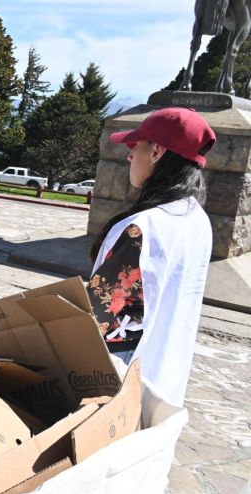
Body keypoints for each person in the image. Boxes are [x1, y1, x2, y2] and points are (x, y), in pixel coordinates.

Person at [89, 107, 215, 407]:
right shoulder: (198, 220)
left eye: (135, 146)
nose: (130, 156)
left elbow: (101, 326)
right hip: (165, 382)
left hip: (119, 392)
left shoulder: (141, 228)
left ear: (157, 151)